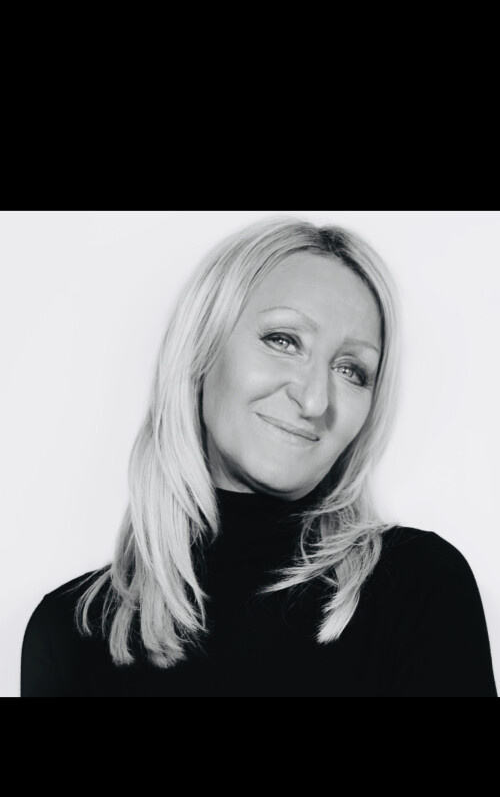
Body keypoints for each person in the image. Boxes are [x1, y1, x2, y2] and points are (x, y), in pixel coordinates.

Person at [20, 217, 498, 697]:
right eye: (283, 341)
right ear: (201, 347)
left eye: (351, 370)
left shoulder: (418, 587)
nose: (315, 400)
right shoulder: (69, 630)